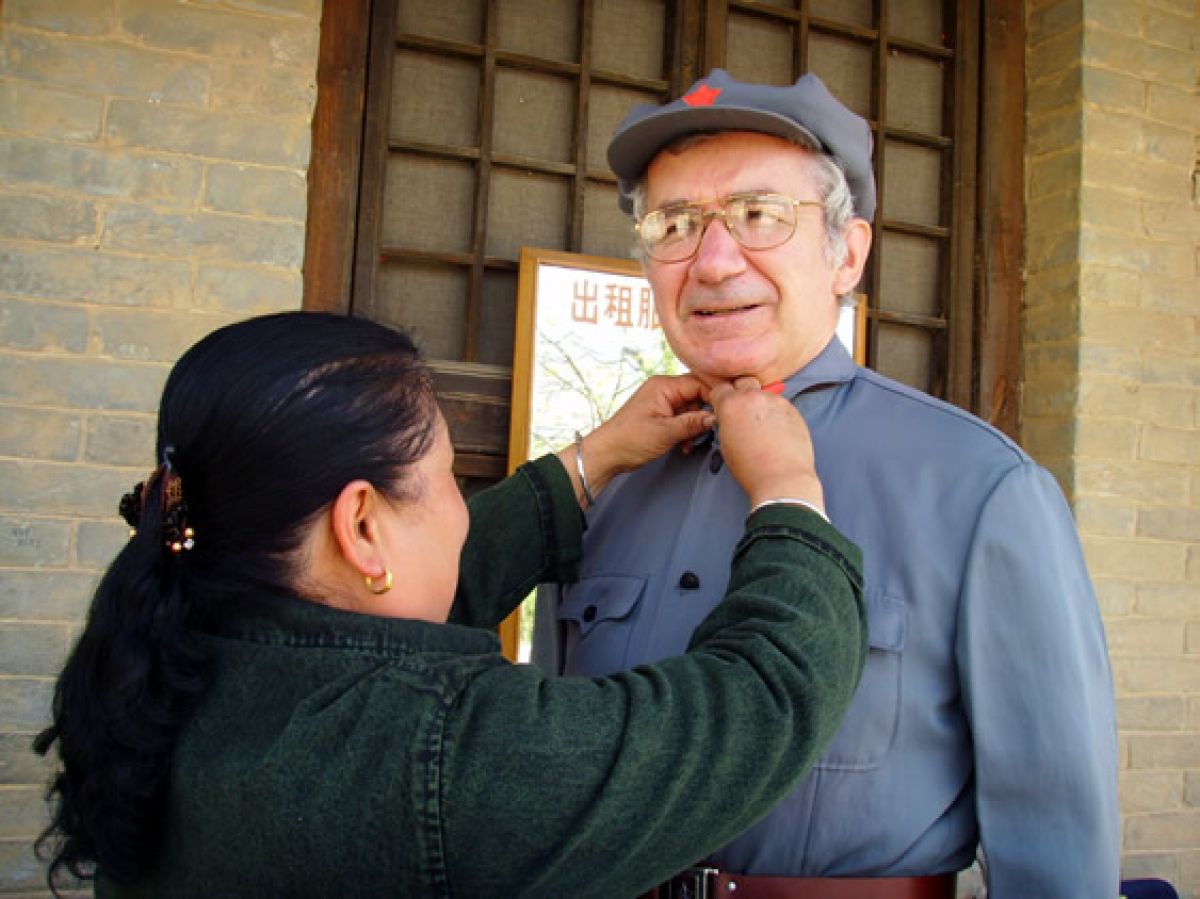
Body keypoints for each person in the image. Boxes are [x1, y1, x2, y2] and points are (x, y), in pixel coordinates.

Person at [33, 311, 867, 899]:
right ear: (361, 525)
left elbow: (393, 618)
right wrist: (789, 490)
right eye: (444, 481)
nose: (464, 507)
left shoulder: (179, 657)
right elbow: (761, 700)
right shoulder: (430, 758)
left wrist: (595, 459)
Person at [533, 69, 1120, 897]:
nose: (712, 260)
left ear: (847, 254)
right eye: (674, 224)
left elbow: (1058, 855)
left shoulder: (980, 490)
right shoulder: (609, 486)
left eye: (758, 215)